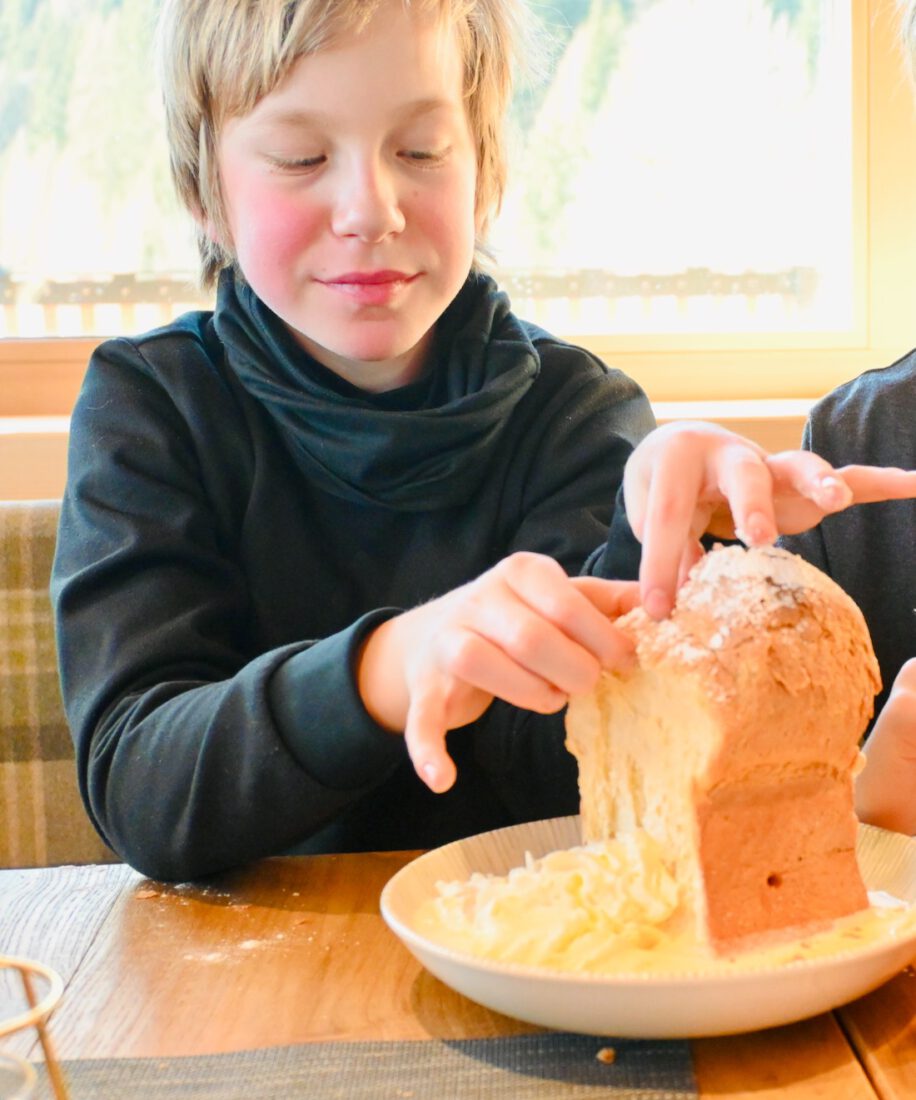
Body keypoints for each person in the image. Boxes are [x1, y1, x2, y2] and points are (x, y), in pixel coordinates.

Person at [50, 0, 916, 882]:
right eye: (302, 158)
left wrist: (652, 544)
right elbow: (140, 789)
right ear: (205, 193)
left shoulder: (578, 412)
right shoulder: (154, 406)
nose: (369, 209)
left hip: (539, 943)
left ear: (486, 173)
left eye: (420, 150)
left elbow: (578, 788)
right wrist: (390, 666)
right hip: (252, 955)